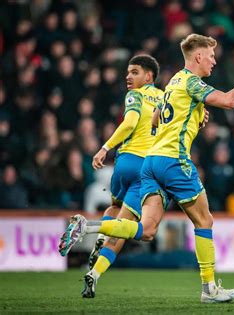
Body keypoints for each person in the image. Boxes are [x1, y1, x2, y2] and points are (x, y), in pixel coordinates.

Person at [59, 34, 234, 303]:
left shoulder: (174, 81)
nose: (215, 61)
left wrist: (195, 114)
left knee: (146, 230)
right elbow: (230, 100)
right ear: (197, 57)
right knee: (204, 221)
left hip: (151, 162)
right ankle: (209, 290)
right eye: (211, 56)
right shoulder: (192, 82)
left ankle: (87, 227)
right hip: (173, 161)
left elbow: (157, 118)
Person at [81, 54, 164, 298]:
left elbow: (129, 123)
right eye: (128, 72)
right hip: (146, 167)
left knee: (114, 205)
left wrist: (105, 148)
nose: (128, 76)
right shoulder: (165, 97)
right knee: (123, 229)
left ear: (148, 76)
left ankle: (99, 239)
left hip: (124, 162)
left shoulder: (135, 95)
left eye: (135, 72)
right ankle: (94, 274)